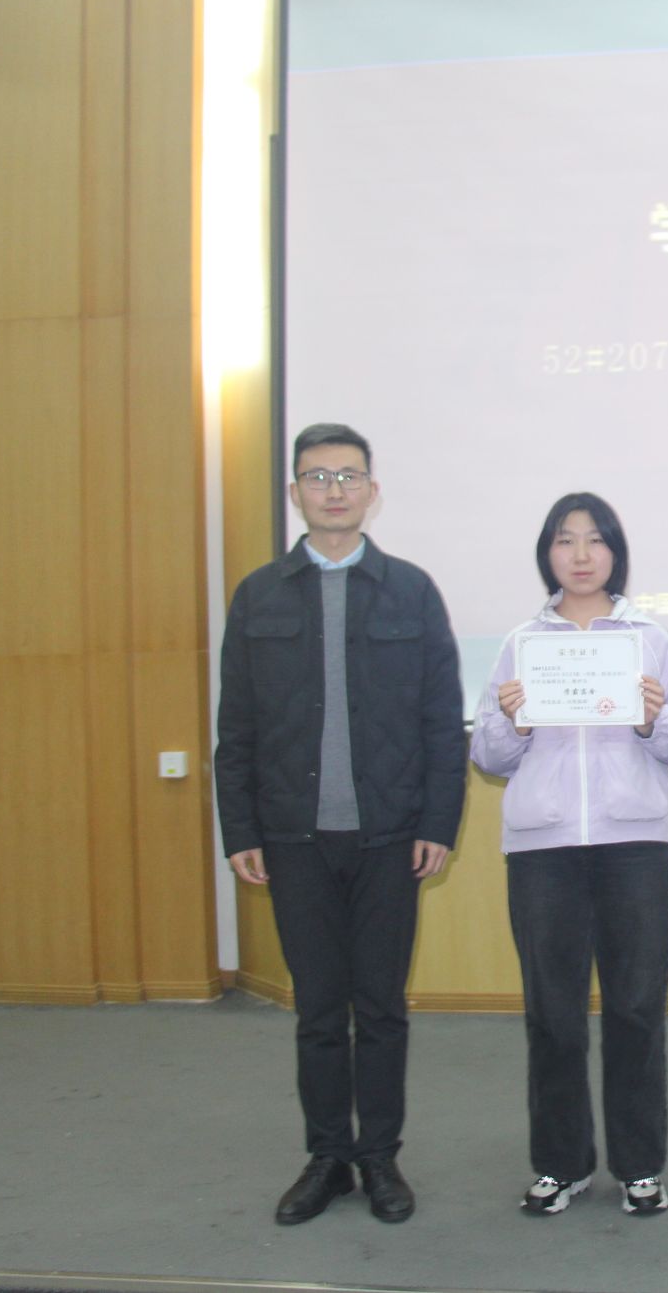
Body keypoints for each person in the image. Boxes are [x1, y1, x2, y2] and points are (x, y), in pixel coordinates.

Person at [215, 422, 466, 1226]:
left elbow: (440, 720)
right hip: (293, 837)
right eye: (317, 476)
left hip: (391, 836)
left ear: (371, 491)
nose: (333, 489)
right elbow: (236, 726)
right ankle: (328, 1155)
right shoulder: (258, 594)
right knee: (320, 1009)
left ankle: (380, 1156)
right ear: (295, 492)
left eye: (348, 475)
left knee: (381, 1007)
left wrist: (439, 821)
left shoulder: (411, 590)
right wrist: (240, 829)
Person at [471, 493, 668, 1218]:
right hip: (543, 849)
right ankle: (561, 1164)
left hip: (633, 844)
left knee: (636, 1009)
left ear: (615, 551)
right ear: (547, 553)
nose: (581, 554)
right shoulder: (522, 642)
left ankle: (640, 1165)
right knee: (553, 1014)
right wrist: (514, 722)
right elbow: (487, 755)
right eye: (565, 540)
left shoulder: (649, 639)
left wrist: (650, 719)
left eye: (595, 539)